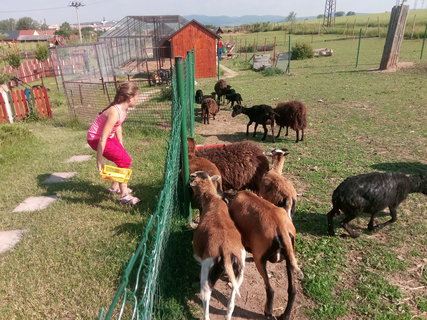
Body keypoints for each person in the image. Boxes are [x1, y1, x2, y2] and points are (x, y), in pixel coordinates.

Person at [87, 81, 140, 205]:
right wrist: (99, 161)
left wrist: (120, 144)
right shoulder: (114, 111)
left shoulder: (123, 109)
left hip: (107, 137)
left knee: (124, 158)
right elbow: (102, 138)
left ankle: (114, 188)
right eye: (136, 98)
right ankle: (124, 195)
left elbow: (118, 126)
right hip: (95, 139)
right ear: (129, 97)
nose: (137, 100)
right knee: (125, 161)